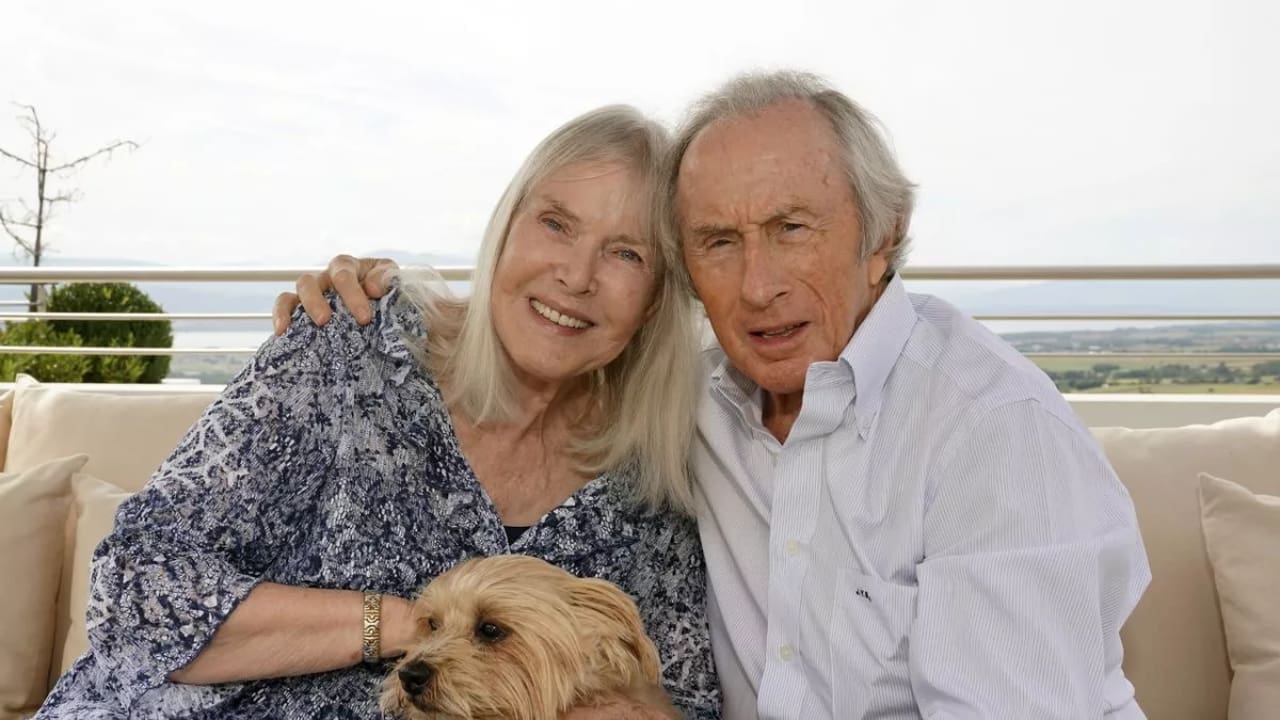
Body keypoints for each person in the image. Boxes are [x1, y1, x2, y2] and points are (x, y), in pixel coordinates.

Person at [280, 71, 1152, 719]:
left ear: (882, 238)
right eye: (718, 242)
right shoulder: (692, 410)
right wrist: (400, 307)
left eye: (791, 229)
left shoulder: (992, 435)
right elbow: (564, 321)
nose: (758, 284)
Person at [36, 106, 720, 719]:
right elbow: (133, 589)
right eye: (555, 223)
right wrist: (409, 625)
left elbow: (676, 698)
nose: (576, 274)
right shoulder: (348, 342)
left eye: (626, 252)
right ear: (505, 229)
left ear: (658, 297)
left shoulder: (651, 486)